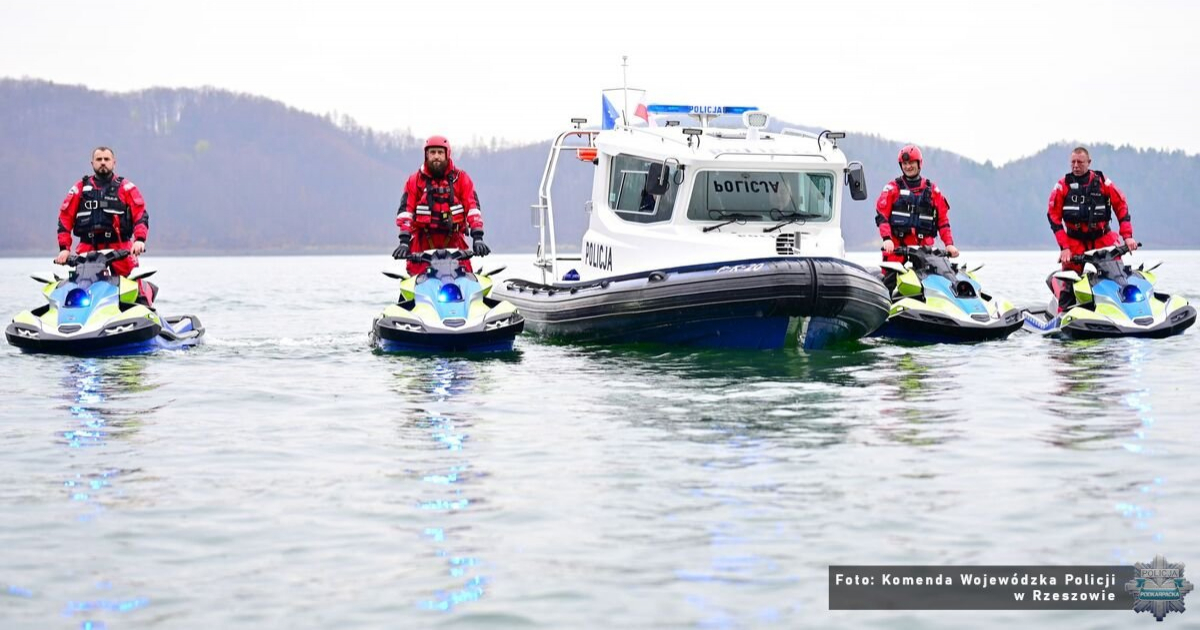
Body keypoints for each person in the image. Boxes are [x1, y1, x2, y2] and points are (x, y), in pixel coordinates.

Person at [54, 146, 154, 306]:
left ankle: (148, 316)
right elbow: (65, 218)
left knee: (135, 287)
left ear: (114, 163)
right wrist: (64, 249)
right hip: (87, 252)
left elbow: (140, 214)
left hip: (120, 250)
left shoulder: (126, 188)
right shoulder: (79, 189)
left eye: (106, 159)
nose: (103, 163)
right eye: (99, 159)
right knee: (78, 291)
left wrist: (139, 240)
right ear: (92, 163)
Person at [392, 135, 489, 275]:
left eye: (440, 152)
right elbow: (406, 212)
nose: (436, 156)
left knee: (466, 278)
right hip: (422, 246)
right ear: (426, 155)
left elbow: (472, 208)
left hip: (455, 244)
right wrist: (404, 242)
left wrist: (478, 238)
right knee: (415, 283)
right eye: (432, 152)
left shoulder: (461, 179)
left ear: (447, 154)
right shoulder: (414, 181)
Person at [1046, 146, 1135, 274]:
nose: (1076, 166)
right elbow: (1053, 216)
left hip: (1103, 239)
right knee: (1068, 284)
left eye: (1080, 162)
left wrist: (1128, 236)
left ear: (1089, 163)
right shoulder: (1062, 186)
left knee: (1117, 275)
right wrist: (1064, 247)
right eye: (1073, 162)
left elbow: (1121, 205)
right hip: (1074, 243)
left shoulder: (1102, 181)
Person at [874, 144, 959, 266]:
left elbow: (943, 221)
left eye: (911, 163)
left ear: (919, 164)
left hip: (924, 249)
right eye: (904, 164)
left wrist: (949, 244)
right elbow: (882, 216)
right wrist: (887, 239)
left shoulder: (933, 191)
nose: (908, 166)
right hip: (896, 248)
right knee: (889, 279)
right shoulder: (892, 188)